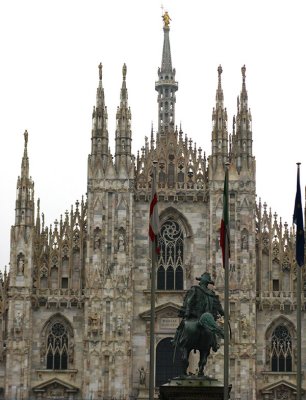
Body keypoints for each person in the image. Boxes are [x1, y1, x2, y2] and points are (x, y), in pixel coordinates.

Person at [173, 272, 224, 352]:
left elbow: (189, 301)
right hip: (207, 318)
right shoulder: (212, 294)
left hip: (195, 316)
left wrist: (186, 312)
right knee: (212, 329)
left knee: (182, 325)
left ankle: (175, 339)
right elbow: (219, 308)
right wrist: (224, 314)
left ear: (201, 282)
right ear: (207, 283)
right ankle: (215, 344)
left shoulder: (195, 289)